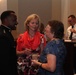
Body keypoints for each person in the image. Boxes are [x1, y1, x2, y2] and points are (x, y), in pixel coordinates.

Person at [0, 10, 18, 75]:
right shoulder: (3, 36)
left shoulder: (7, 33)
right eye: (14, 20)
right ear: (6, 20)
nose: (17, 22)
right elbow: (4, 62)